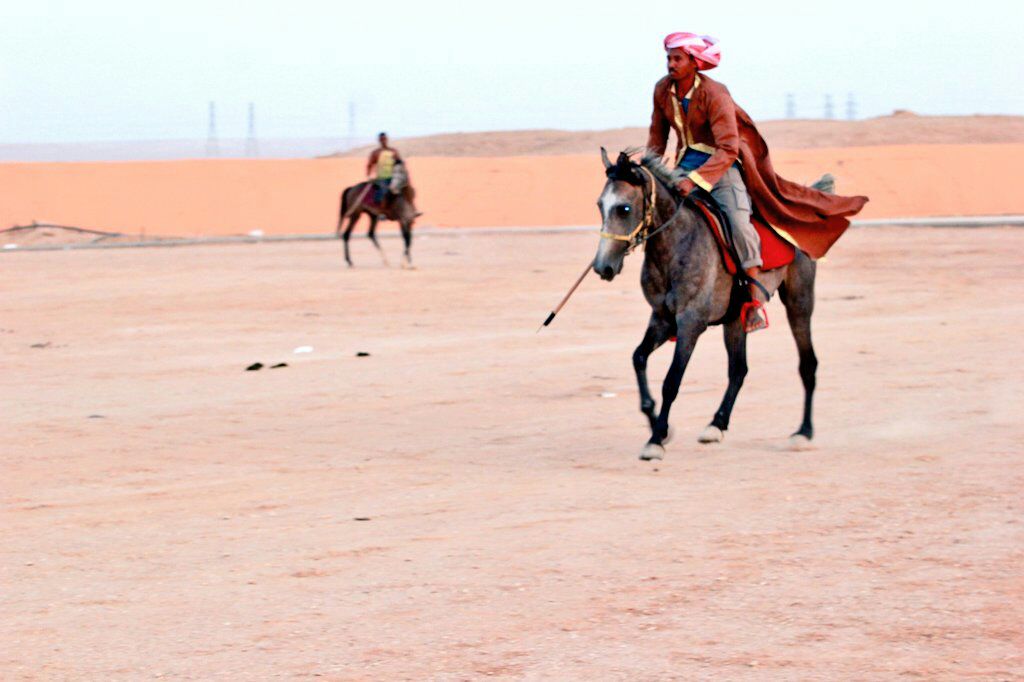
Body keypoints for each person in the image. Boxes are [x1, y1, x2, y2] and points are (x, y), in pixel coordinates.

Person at [647, 32, 868, 332]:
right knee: (660, 219)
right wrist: (651, 172)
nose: (670, 64)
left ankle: (753, 303)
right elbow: (657, 137)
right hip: (684, 164)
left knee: (739, 224)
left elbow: (728, 148)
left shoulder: (716, 94)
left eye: (677, 59)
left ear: (695, 63)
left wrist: (697, 181)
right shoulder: (663, 90)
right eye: (669, 58)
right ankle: (671, 303)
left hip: (722, 168)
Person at [366, 132, 402, 205]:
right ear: (379, 140)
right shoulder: (376, 152)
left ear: (387, 139)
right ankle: (379, 211)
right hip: (382, 178)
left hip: (394, 177)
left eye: (385, 139)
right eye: (381, 139)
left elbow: (399, 162)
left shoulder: (393, 151)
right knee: (383, 191)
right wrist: (369, 175)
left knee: (403, 190)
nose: (383, 141)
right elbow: (370, 165)